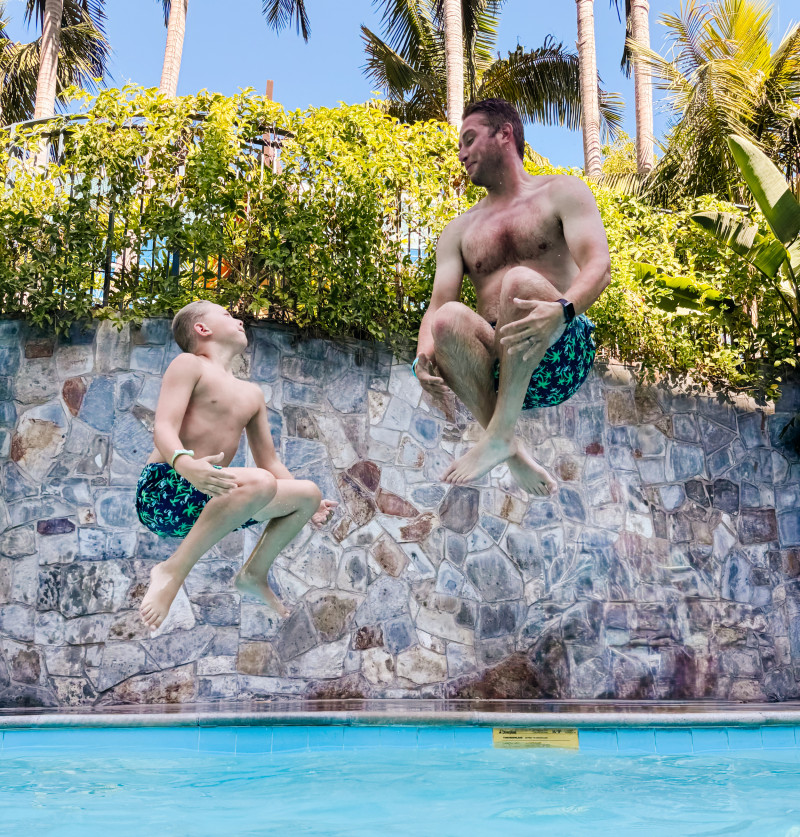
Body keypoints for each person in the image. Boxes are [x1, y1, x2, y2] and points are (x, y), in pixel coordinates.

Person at [414, 99, 611, 495]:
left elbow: (599, 267)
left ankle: (499, 435)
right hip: (498, 367)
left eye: (469, 140)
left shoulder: (561, 192)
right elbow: (438, 304)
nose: (461, 154)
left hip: (560, 350)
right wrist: (421, 356)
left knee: (519, 282)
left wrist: (562, 311)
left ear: (504, 134)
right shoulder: (459, 231)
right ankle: (506, 444)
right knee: (447, 320)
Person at [136, 301, 337, 630]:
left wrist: (311, 508)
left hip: (207, 502)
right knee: (260, 482)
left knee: (307, 493)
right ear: (203, 329)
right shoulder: (189, 365)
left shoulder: (252, 394)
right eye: (228, 315)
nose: (239, 319)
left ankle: (253, 574)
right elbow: (163, 428)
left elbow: (269, 461)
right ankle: (171, 570)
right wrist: (186, 465)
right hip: (163, 491)